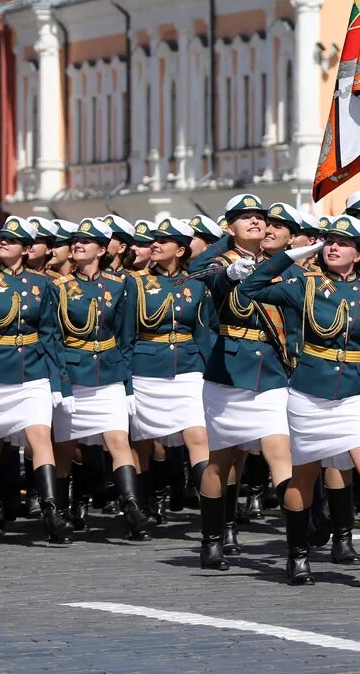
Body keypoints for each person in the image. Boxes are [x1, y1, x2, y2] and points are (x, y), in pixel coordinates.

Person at [238, 215, 360, 584]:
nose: (333, 247)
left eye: (343, 242)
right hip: (310, 393)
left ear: (358, 253)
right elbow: (250, 288)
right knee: (302, 478)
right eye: (329, 240)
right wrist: (296, 254)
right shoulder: (304, 285)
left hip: (358, 392)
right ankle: (297, 555)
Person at [189, 194, 294, 571]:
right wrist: (227, 268)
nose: (254, 221)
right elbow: (197, 274)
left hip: (270, 370)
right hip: (228, 373)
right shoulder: (219, 262)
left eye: (259, 217)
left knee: (280, 453)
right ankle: (212, 539)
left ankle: (299, 543)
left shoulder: (280, 265)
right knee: (221, 462)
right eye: (243, 217)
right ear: (229, 226)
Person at [0, 216, 72, 546]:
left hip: (33, 371)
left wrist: (59, 384)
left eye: (12, 240)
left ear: (27, 249)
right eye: (2, 239)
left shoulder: (43, 285)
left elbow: (51, 336)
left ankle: (52, 513)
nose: (4, 243)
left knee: (40, 437)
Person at [50, 218, 149, 540]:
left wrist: (128, 384)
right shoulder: (58, 287)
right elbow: (52, 338)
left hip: (107, 373)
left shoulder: (120, 285)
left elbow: (126, 337)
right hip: (73, 374)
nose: (78, 245)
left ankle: (132, 508)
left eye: (87, 241)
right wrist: (59, 384)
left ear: (102, 249)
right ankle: (61, 514)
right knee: (65, 449)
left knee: (118, 442)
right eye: (75, 241)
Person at [128, 218, 214, 530]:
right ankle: (145, 503)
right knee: (145, 442)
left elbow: (205, 331)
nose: (155, 244)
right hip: (146, 368)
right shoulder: (135, 284)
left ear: (179, 250)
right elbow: (127, 333)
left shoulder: (197, 284)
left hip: (188, 368)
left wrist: (207, 370)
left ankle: (211, 508)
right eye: (154, 240)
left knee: (198, 434)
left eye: (164, 241)